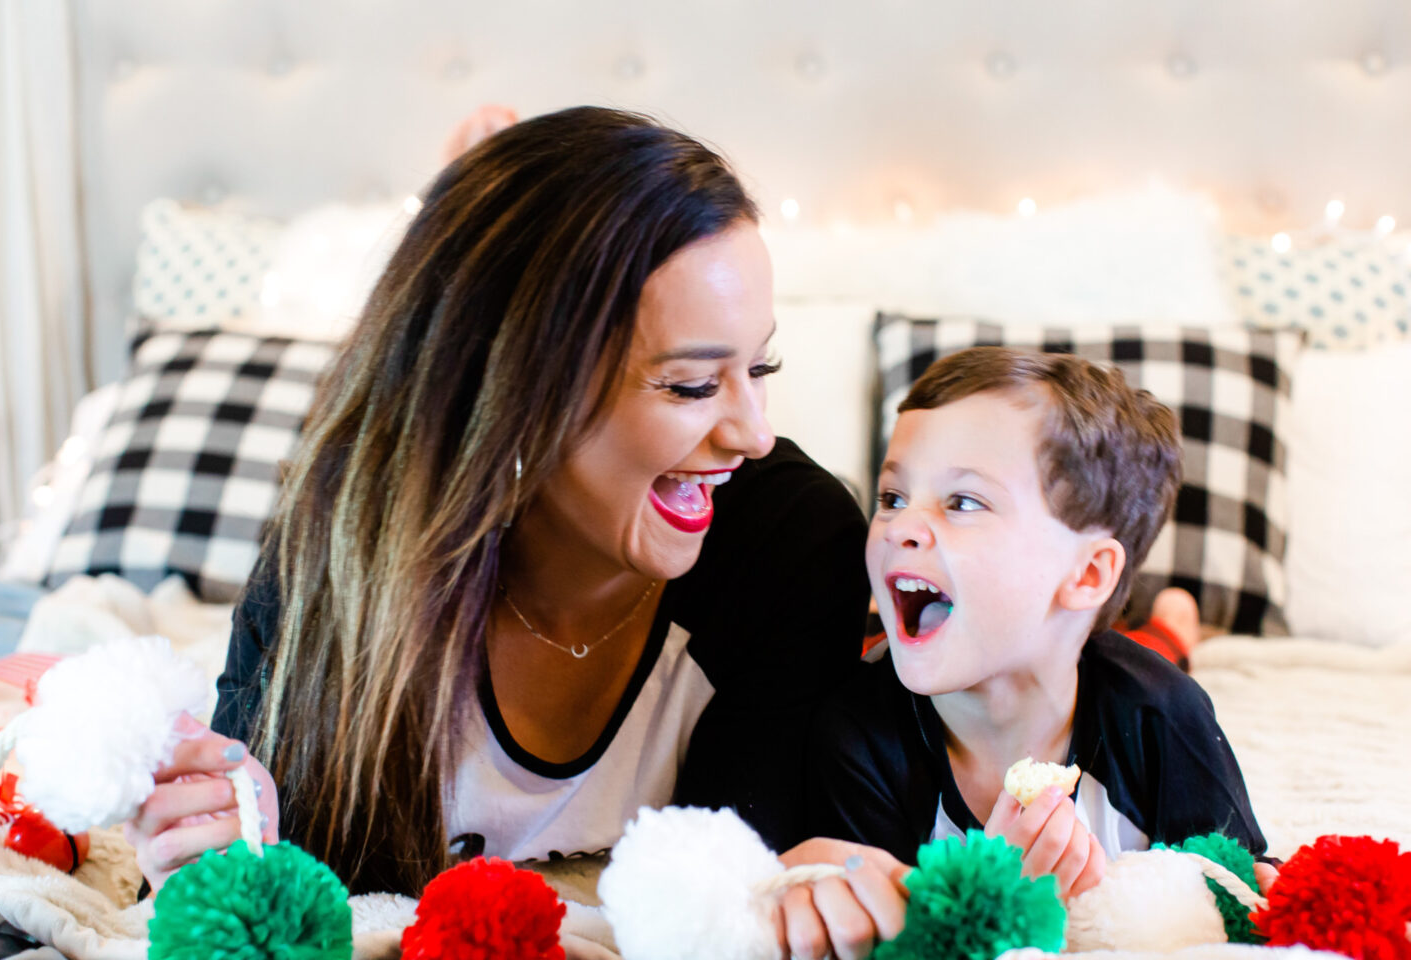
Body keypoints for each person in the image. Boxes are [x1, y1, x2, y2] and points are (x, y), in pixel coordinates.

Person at [123, 106, 905, 959]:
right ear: (515, 391)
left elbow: (742, 900)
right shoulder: (346, 541)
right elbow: (264, 888)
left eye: (760, 369)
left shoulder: (790, 543)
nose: (751, 432)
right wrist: (199, 860)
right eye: (689, 386)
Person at [808, 346, 1270, 900]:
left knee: (1154, 650)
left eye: (963, 501)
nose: (902, 525)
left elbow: (1240, 887)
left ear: (1088, 572)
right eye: (892, 496)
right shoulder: (856, 733)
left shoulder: (1160, 714)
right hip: (918, 619)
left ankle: (1174, 625)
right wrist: (990, 895)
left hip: (1104, 651)